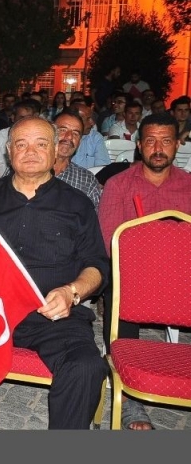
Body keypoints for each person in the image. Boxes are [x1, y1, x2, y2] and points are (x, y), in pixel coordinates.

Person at [0, 116, 110, 429]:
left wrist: (71, 292)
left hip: (54, 316)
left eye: (41, 144)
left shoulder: (77, 205)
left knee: (86, 367)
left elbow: (97, 264)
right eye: (21, 144)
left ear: (55, 152)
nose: (30, 151)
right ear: (9, 152)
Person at [97, 112, 191, 430]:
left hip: (182, 276)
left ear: (178, 144)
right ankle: (132, 402)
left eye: (166, 140)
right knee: (118, 293)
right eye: (150, 141)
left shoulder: (189, 187)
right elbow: (111, 243)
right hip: (133, 277)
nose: (158, 148)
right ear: (139, 145)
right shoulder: (119, 184)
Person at [52, 110, 103, 211]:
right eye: (63, 130)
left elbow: (94, 222)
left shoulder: (86, 181)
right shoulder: (25, 170)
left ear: (79, 141)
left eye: (75, 133)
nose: (69, 137)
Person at [0, 99, 39, 183]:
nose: (25, 121)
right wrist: (1, 186)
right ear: (13, 118)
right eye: (22, 118)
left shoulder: (38, 137)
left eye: (29, 118)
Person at [71, 102, 111, 169]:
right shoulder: (61, 138)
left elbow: (102, 168)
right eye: (87, 119)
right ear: (75, 120)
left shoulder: (95, 138)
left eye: (91, 118)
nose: (92, 123)